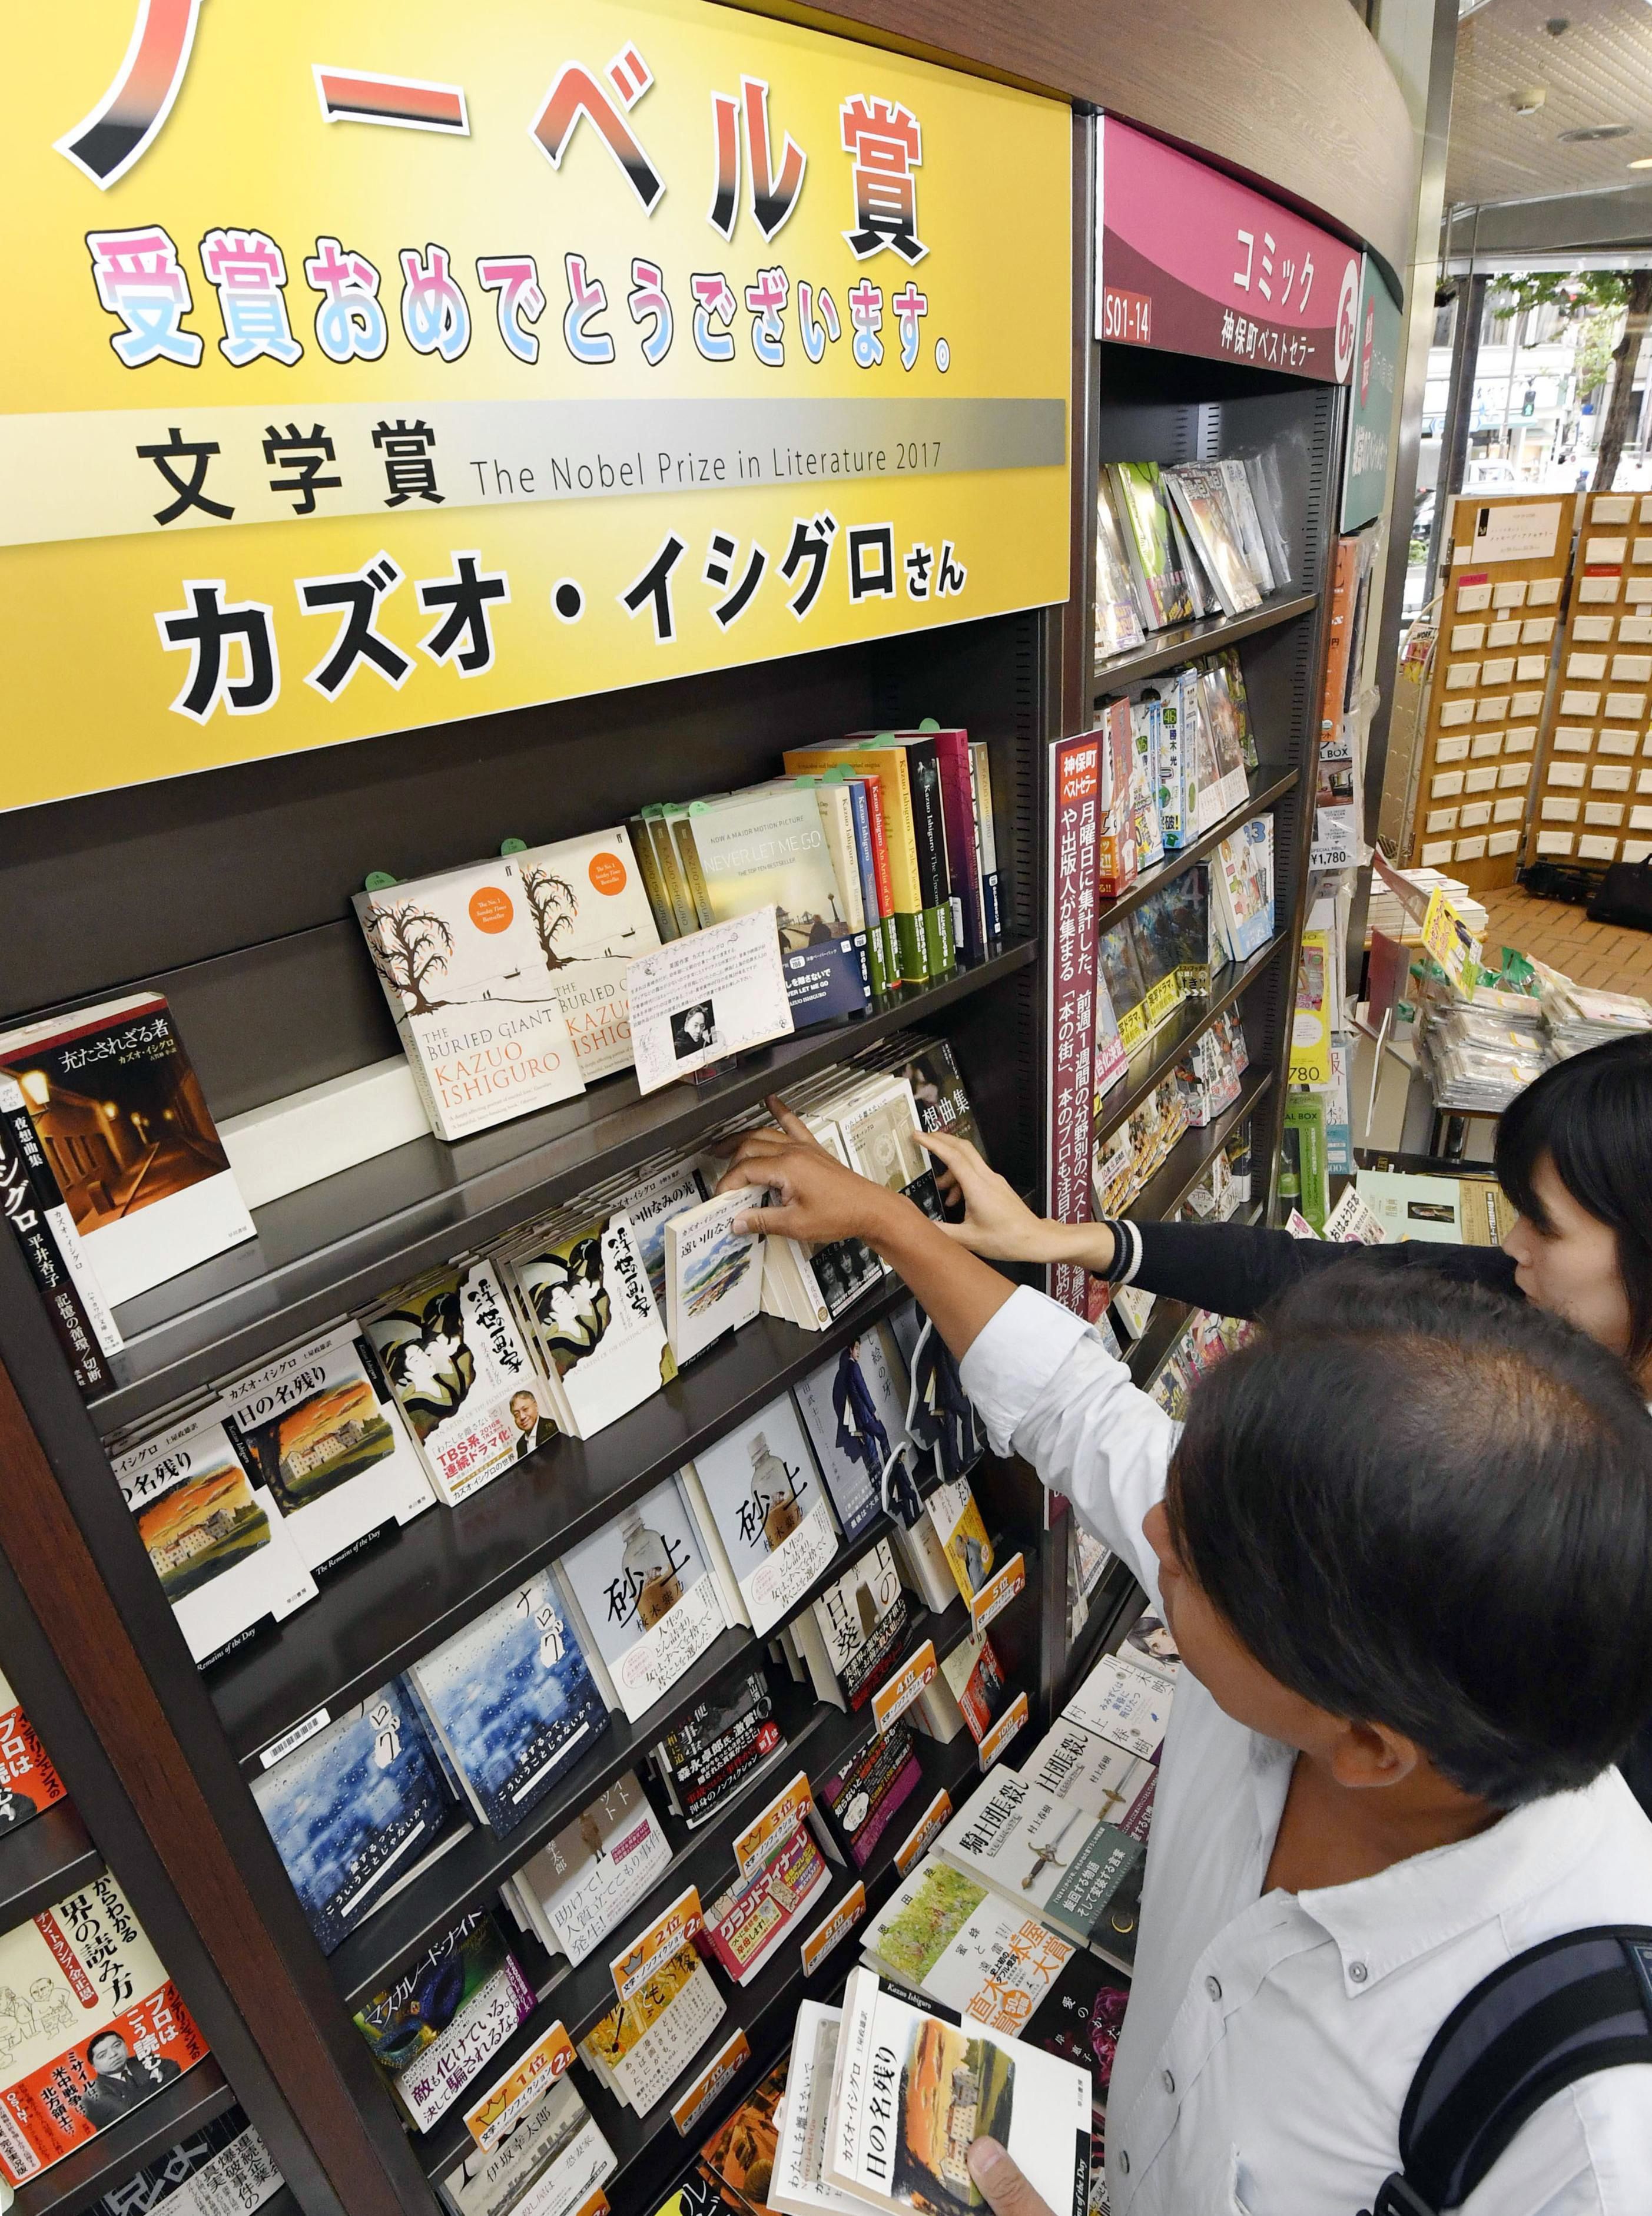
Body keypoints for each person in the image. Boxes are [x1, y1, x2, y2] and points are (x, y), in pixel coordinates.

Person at [718, 1099, 1652, 2216]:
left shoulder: (1583, 2140)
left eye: (1194, 1567)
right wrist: (892, 1223)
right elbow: (1084, 1411)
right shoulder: (1346, 1622)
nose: (1155, 1530)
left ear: (1364, 1742)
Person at [923, 1029, 1652, 1808]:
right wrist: (1063, 1241)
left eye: (1543, 1223)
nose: (1510, 1244)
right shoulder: (1519, 1302)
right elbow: (1310, 1275)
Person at [76, 2029, 180, 2129]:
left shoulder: (142, 2060)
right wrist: (154, 2081)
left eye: (117, 2046)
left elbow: (173, 2068)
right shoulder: (92, 2095)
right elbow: (128, 2110)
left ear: (125, 2046)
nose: (113, 2054)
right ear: (94, 2066)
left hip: (176, 2119)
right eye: (103, 2055)